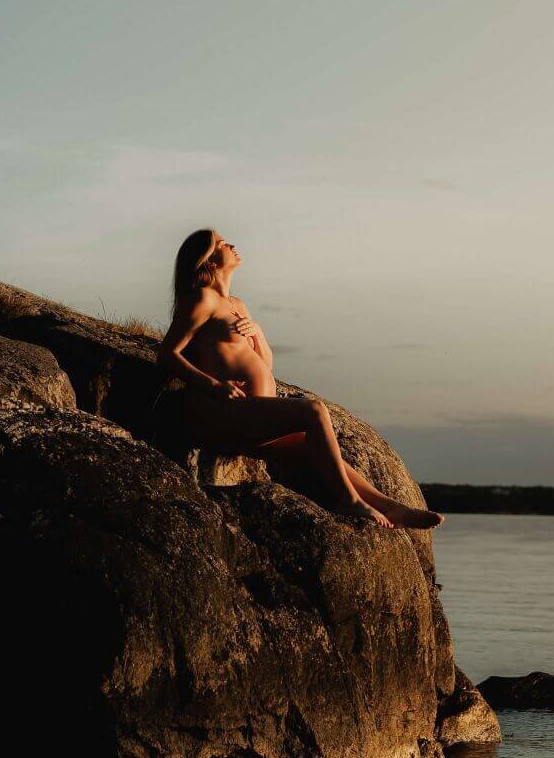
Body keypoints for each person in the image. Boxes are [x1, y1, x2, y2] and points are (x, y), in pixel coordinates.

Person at [156, 228, 444, 532]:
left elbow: (264, 363)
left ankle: (391, 507)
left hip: (253, 418)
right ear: (211, 262)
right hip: (224, 417)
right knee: (314, 411)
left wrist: (258, 333)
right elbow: (167, 354)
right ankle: (347, 500)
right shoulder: (202, 300)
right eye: (224, 244)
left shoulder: (237, 305)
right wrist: (214, 386)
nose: (233, 245)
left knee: (313, 447)